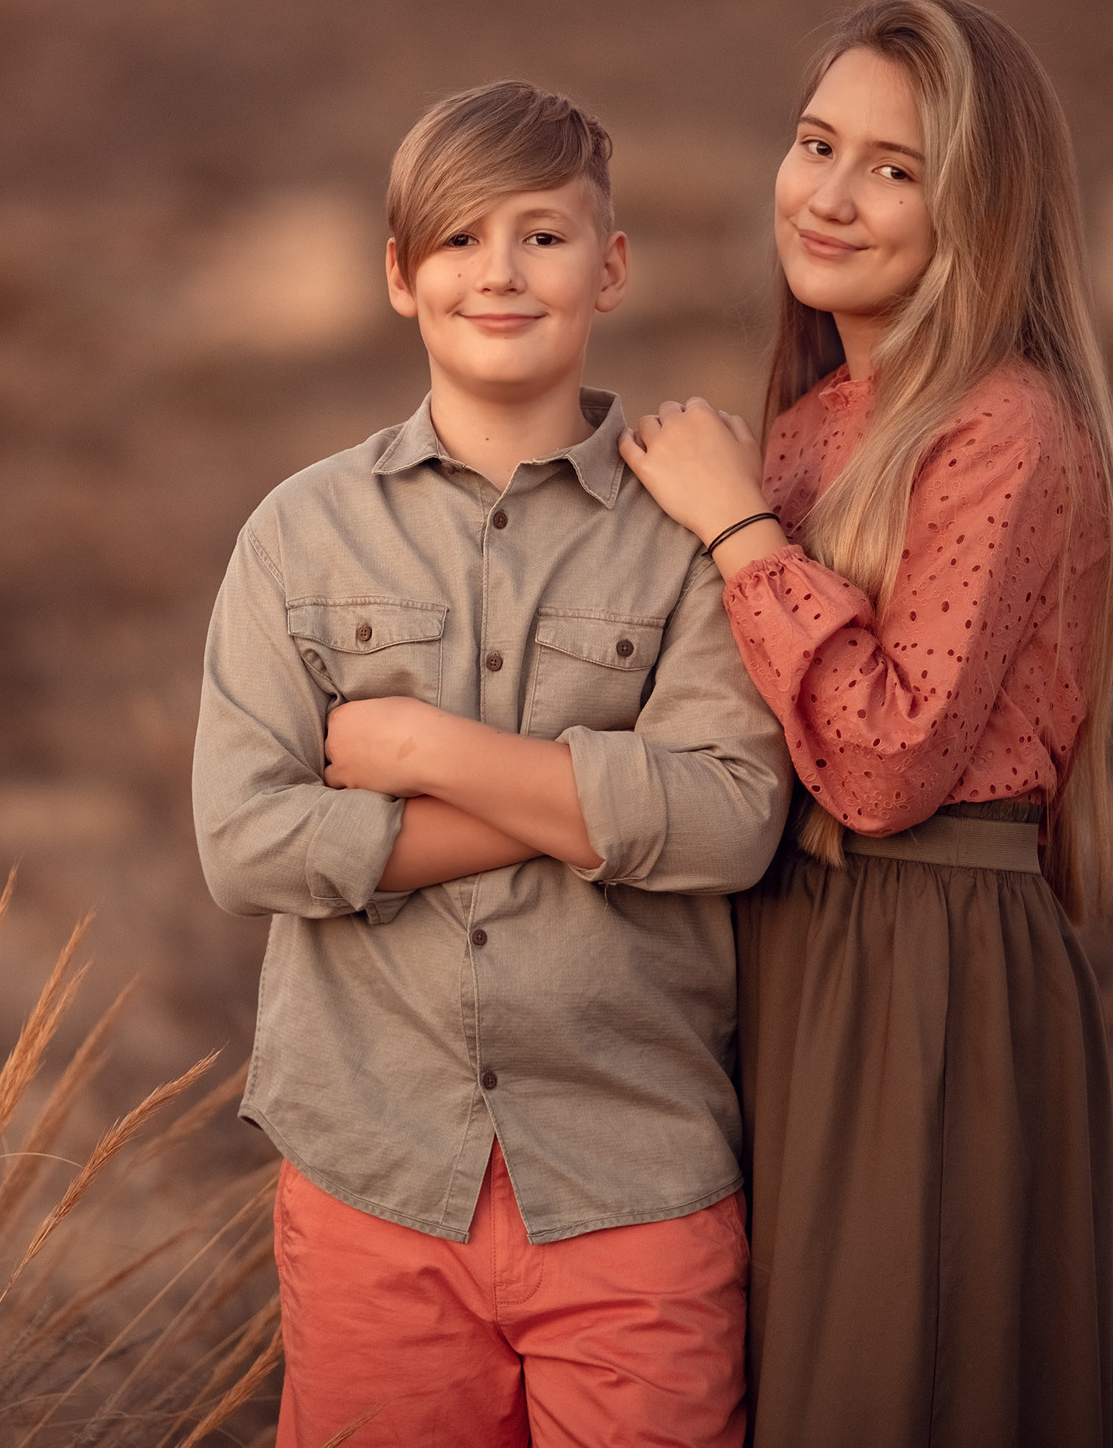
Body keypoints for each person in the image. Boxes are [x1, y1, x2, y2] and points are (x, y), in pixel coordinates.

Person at [191, 80, 792, 1448]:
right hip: (375, 1178)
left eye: (543, 235)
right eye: (460, 239)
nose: (501, 272)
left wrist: (426, 753)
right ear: (401, 277)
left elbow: (732, 816)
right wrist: (583, 797)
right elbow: (245, 842)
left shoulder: (687, 527)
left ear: (611, 267)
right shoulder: (299, 534)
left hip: (637, 1183)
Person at [618, 0, 1113, 1446]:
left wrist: (737, 534)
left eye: (893, 167)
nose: (830, 196)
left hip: (929, 957)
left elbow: (886, 761)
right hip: (793, 945)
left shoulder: (1004, 425)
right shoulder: (805, 427)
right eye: (815, 144)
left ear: (979, 205)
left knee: (895, 1387)